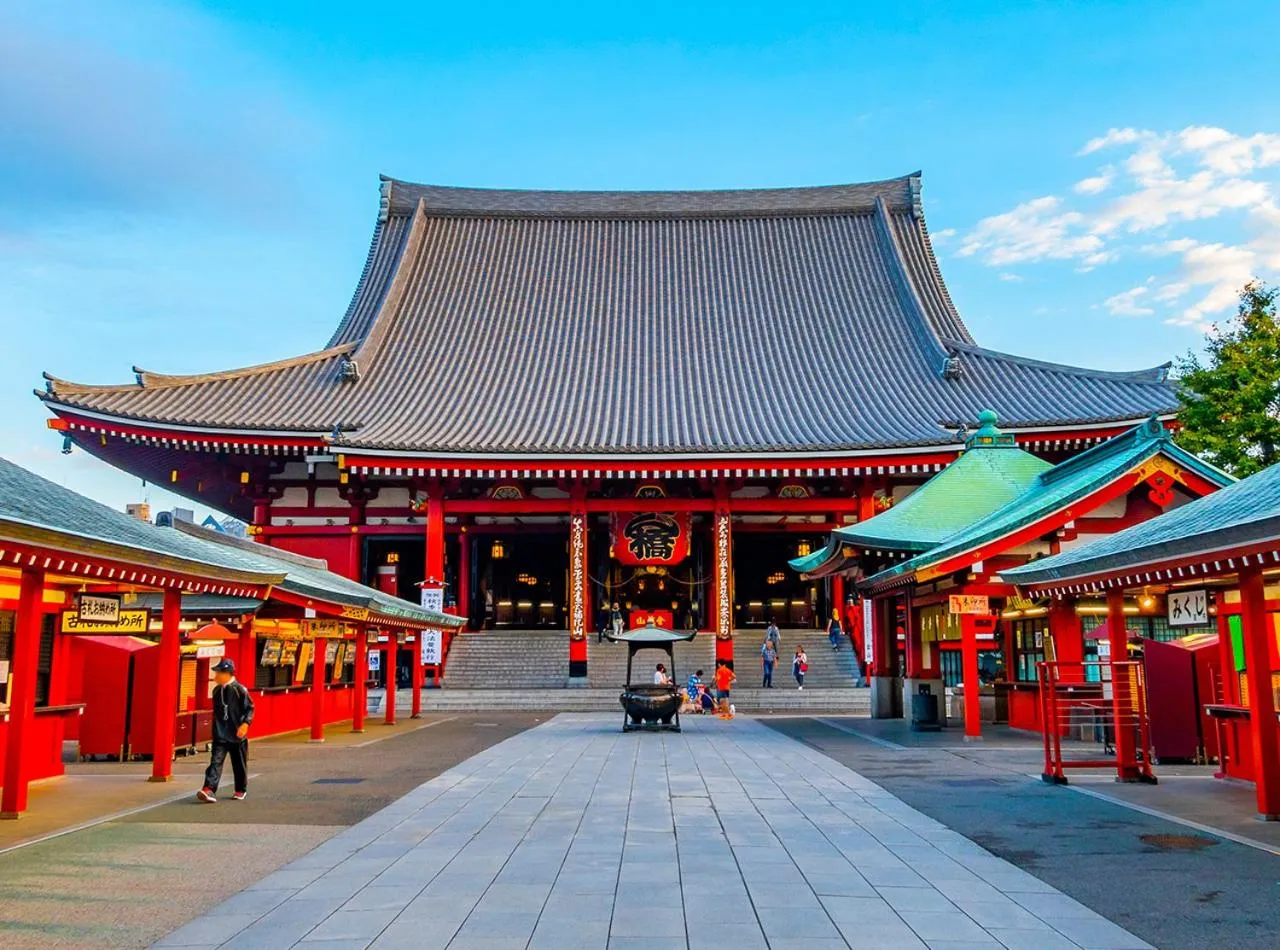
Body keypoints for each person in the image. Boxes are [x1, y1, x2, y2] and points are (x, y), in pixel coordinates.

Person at [196, 658, 254, 803]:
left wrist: (245, 724)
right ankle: (208, 788)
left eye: (218, 673)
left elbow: (250, 708)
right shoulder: (216, 691)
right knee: (215, 761)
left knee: (239, 763)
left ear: (227, 674)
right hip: (220, 733)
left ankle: (240, 789)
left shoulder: (239, 689)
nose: (215, 676)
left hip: (236, 733)